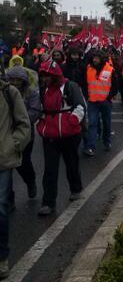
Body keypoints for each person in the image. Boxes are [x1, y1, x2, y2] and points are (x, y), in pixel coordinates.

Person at [36, 60, 85, 216]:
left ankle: (76, 188)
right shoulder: (43, 89)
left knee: (71, 163)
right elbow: (38, 108)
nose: (45, 79)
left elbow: (80, 106)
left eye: (48, 76)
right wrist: (40, 123)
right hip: (50, 135)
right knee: (50, 169)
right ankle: (48, 202)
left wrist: (72, 121)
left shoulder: (70, 87)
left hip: (69, 134)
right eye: (43, 76)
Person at [0, 71, 32, 279]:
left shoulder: (9, 93)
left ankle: (2, 257)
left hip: (2, 160)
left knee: (0, 208)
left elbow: (23, 124)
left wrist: (13, 145)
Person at [5, 66, 41, 201]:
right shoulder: (5, 93)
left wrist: (21, 120)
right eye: (12, 79)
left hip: (25, 134)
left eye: (18, 80)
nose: (15, 82)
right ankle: (9, 199)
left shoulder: (31, 93)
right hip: (6, 134)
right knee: (6, 168)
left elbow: (35, 111)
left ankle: (30, 181)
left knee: (23, 163)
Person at [82, 50, 118, 156]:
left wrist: (109, 97)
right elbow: (85, 83)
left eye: (97, 58)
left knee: (107, 123)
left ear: (102, 59)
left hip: (105, 102)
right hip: (92, 101)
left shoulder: (110, 69)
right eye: (94, 58)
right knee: (92, 124)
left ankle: (107, 142)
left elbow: (115, 86)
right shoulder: (88, 68)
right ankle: (90, 147)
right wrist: (87, 95)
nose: (94, 60)